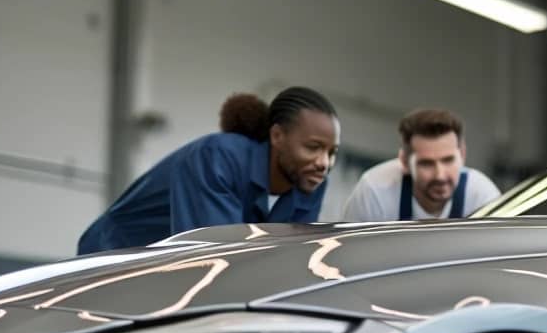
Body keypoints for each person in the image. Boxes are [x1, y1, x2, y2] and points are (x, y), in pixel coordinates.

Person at [77, 86, 338, 254]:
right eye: (313, 147)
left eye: (331, 152)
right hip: (113, 256)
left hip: (166, 280)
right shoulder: (217, 157)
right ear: (277, 136)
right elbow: (213, 256)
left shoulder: (310, 180)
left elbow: (287, 255)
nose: (324, 162)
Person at [335, 108, 500, 222]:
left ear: (462, 155)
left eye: (448, 160)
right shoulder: (374, 191)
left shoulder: (482, 196)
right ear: (405, 162)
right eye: (426, 164)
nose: (440, 175)